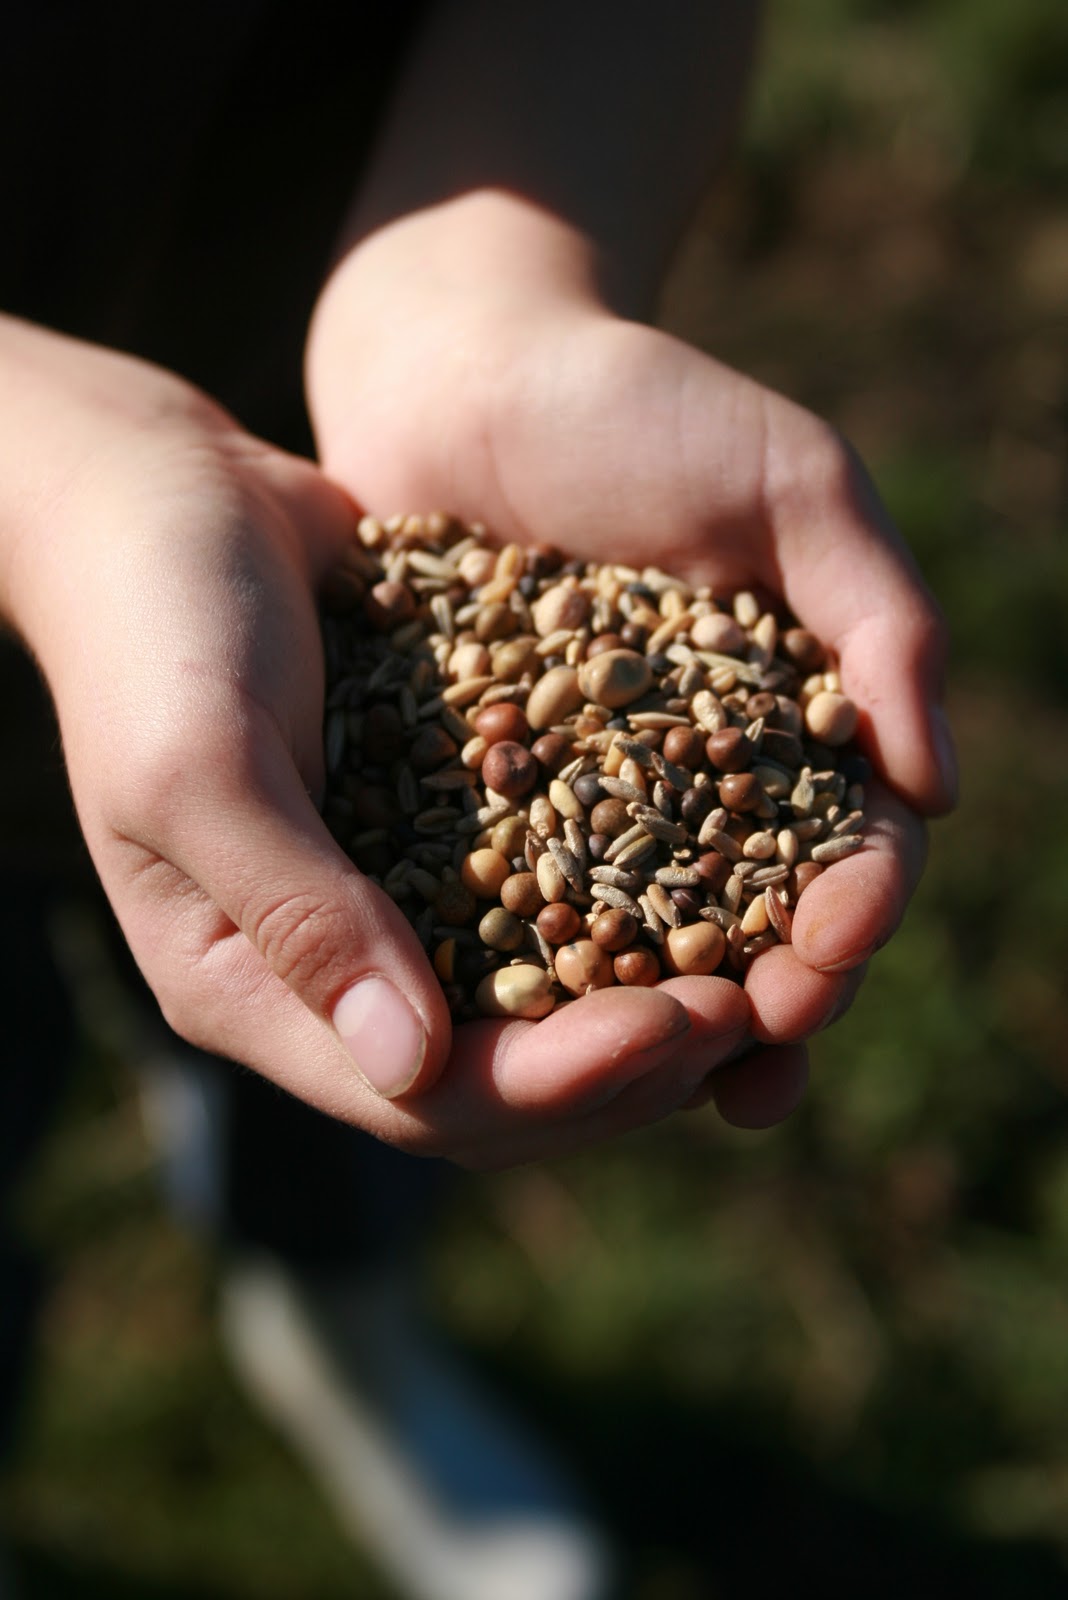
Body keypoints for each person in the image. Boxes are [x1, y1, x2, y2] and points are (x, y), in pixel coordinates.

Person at [0, 3, 957, 1595]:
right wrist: (40, 474)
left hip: (316, 527)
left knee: (361, 1069)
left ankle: (346, 1342)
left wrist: (494, 286)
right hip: (99, 502)